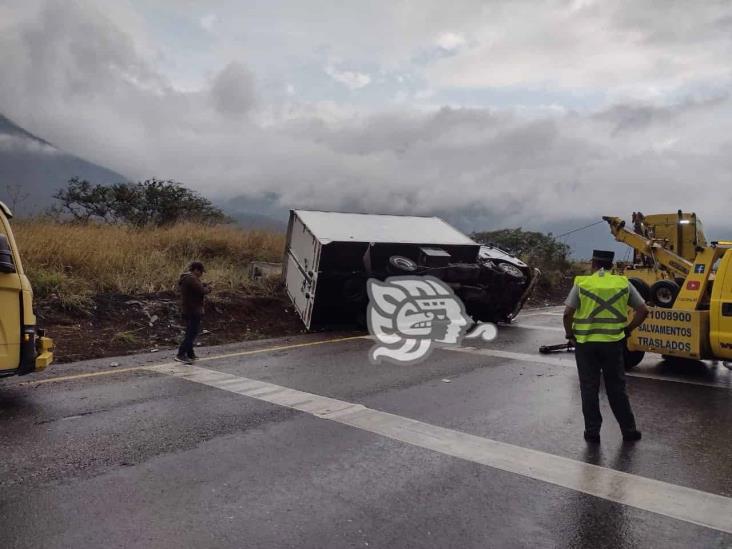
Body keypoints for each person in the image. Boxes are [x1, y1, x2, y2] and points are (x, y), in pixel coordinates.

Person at [563, 250, 648, 443]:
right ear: (611, 265)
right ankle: (629, 431)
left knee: (589, 388)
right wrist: (628, 329)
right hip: (613, 345)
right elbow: (643, 310)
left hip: (586, 345)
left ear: (593, 263)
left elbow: (567, 314)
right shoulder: (622, 283)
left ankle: (592, 432)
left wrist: (570, 335)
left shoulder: (582, 283)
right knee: (617, 388)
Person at [175, 261, 211, 364]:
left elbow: (196, 288)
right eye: (200, 272)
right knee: (191, 333)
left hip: (188, 309)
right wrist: (208, 288)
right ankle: (181, 354)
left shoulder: (187, 278)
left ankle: (190, 354)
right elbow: (202, 291)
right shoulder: (191, 278)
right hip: (193, 310)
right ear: (195, 270)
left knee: (190, 332)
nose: (201, 274)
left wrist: (202, 284)